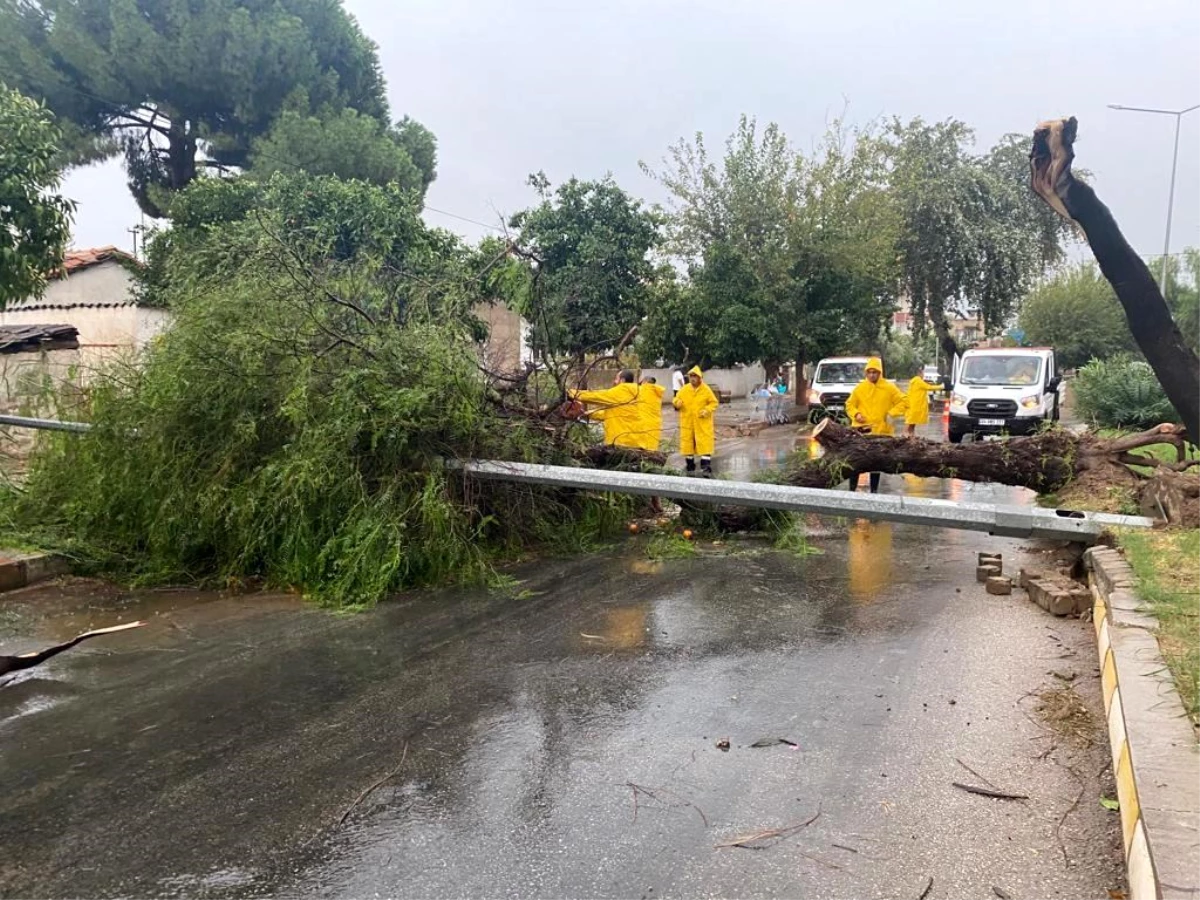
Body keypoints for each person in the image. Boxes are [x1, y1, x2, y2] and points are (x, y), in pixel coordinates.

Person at [845, 357, 907, 492]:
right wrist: (856, 414)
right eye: (869, 372)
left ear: (880, 373)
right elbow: (849, 404)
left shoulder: (889, 388)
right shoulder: (860, 388)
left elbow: (903, 401)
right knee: (856, 463)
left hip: (881, 432)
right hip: (861, 432)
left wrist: (892, 413)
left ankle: (874, 492)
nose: (872, 375)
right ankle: (851, 491)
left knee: (875, 464)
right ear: (866, 373)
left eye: (875, 372)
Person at [571, 370, 641, 448]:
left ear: (622, 380)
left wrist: (571, 393)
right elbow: (612, 414)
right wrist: (588, 414)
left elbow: (596, 396)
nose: (614, 381)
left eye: (616, 379)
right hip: (634, 442)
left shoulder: (622, 391)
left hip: (620, 442)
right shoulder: (636, 393)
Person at [672, 365, 718, 475]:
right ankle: (690, 466)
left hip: (702, 422)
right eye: (691, 376)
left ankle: (705, 467)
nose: (692, 378)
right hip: (688, 422)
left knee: (704, 443)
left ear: (699, 378)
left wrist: (706, 410)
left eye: (695, 376)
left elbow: (714, 402)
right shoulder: (685, 389)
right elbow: (676, 398)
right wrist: (677, 403)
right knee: (688, 444)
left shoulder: (706, 390)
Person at [904, 363, 943, 437]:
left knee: (913, 421)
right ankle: (905, 434)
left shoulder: (915, 381)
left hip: (913, 403)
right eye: (923, 373)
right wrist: (941, 386)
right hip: (915, 404)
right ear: (919, 373)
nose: (923, 375)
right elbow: (928, 387)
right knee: (910, 420)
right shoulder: (918, 381)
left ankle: (911, 435)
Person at [636, 375, 665, 451]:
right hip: (655, 424)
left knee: (643, 448)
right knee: (652, 448)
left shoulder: (641, 390)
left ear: (645, 382)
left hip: (643, 423)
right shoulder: (657, 392)